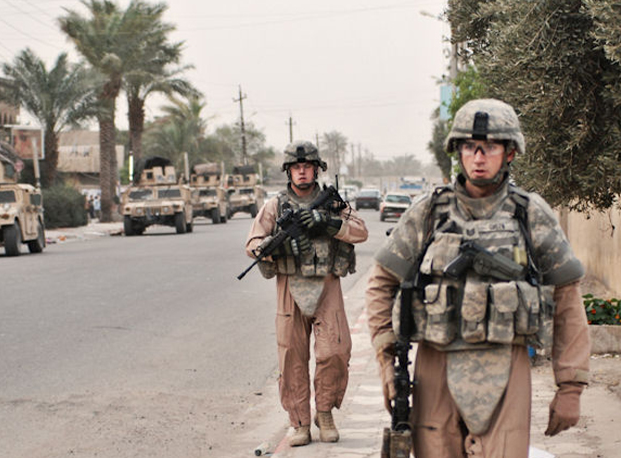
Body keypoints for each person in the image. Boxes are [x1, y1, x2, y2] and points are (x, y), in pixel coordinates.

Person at [365, 99, 590, 458]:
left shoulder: (530, 214)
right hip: (435, 367)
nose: (479, 158)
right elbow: (381, 285)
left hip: (507, 369)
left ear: (510, 153)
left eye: (490, 147)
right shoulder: (427, 213)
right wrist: (388, 365)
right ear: (458, 151)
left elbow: (567, 298)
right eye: (470, 147)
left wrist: (570, 388)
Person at [245, 140, 368, 447]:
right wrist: (277, 247)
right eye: (296, 167)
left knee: (334, 351)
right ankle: (299, 423)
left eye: (307, 167)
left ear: (316, 169)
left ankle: (324, 413)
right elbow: (252, 245)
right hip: (290, 287)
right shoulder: (275, 206)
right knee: (292, 358)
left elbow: (361, 231)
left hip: (327, 285)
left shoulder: (332, 202)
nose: (302, 172)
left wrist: (329, 223)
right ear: (289, 171)